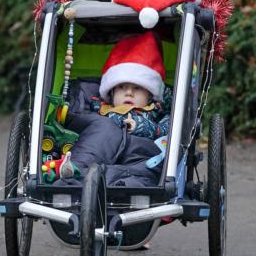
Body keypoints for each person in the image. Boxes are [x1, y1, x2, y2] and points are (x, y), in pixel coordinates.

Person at [49, 32, 171, 187]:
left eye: (137, 88)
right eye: (122, 87)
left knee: (140, 173)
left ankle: (126, 188)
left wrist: (141, 125)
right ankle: (73, 172)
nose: (129, 92)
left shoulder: (157, 113)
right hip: (101, 147)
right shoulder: (99, 109)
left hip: (138, 154)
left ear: (149, 96)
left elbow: (167, 131)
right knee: (101, 129)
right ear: (111, 93)